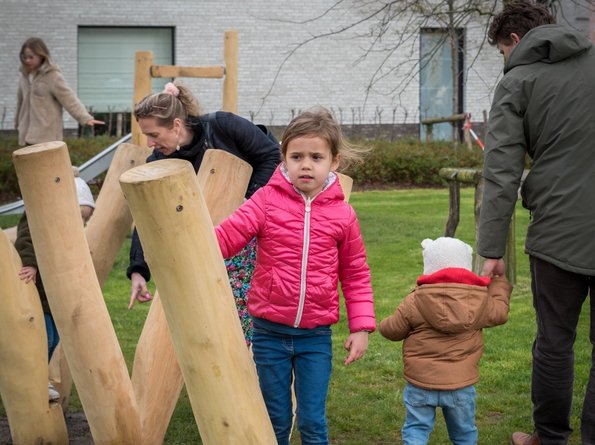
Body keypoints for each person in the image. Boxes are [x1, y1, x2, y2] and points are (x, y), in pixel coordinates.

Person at [214, 107, 376, 444]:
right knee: (274, 420)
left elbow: (356, 273)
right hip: (269, 334)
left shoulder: (342, 215)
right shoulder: (266, 200)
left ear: (334, 162)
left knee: (313, 421)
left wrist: (361, 327)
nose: (306, 164)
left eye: (316, 156)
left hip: (314, 338)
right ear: (283, 159)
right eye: (296, 155)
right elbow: (227, 236)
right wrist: (190, 239)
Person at [476, 1, 595, 444]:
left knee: (555, 343)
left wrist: (490, 251)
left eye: (501, 54)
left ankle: (550, 439)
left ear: (513, 41)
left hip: (558, 235)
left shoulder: (518, 81)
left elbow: (502, 172)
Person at [127, 81, 281, 345]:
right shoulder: (158, 162)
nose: (150, 143)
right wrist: (138, 270)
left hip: (254, 236)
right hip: (205, 245)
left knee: (254, 315)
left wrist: (248, 202)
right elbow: (147, 216)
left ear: (176, 125)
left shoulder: (223, 127)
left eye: (153, 134)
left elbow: (271, 156)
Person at [379, 237, 512, 445]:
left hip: (420, 383)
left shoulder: (415, 300)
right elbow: (501, 312)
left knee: (416, 430)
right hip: (461, 385)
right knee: (464, 434)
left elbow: (392, 330)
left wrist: (383, 324)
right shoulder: (480, 301)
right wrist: (499, 281)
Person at [14, 168, 95, 400]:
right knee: (44, 338)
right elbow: (26, 237)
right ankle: (35, 380)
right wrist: (30, 263)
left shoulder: (70, 231)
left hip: (55, 294)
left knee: (55, 339)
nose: (80, 224)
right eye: (78, 217)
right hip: (37, 288)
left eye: (85, 220)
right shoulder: (37, 215)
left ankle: (41, 379)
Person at [15, 37, 104, 147]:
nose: (27, 60)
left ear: (41, 56)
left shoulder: (52, 76)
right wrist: (18, 124)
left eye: (31, 57)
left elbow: (68, 98)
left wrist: (84, 117)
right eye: (24, 57)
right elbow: (20, 103)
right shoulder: (24, 77)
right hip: (26, 137)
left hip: (46, 138)